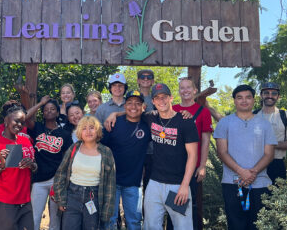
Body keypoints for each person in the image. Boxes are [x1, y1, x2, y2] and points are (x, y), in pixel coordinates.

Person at [105, 83, 199, 230]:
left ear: (171, 98)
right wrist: (115, 114)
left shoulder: (185, 122)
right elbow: (133, 111)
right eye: (157, 98)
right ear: (153, 102)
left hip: (177, 185)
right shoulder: (150, 118)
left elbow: (193, 155)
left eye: (164, 97)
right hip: (154, 184)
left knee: (183, 226)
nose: (161, 101)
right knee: (151, 225)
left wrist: (185, 186)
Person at [214, 85, 276, 230]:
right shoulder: (224, 123)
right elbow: (222, 152)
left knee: (258, 225)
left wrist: (253, 172)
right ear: (234, 101)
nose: (244, 101)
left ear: (254, 100)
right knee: (236, 225)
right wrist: (241, 171)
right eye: (239, 97)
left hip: (260, 183)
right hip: (232, 183)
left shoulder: (265, 124)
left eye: (248, 97)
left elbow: (269, 154)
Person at [53, 116, 116, 230]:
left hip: (94, 197)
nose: (88, 131)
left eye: (91, 128)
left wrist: (107, 209)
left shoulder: (106, 152)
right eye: (84, 128)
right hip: (72, 195)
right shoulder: (74, 148)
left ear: (97, 131)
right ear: (79, 132)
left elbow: (110, 184)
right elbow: (61, 173)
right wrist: (61, 198)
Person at [102, 90, 151, 230]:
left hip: (133, 183)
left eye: (137, 103)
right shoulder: (113, 123)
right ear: (124, 106)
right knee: (110, 221)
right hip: (111, 182)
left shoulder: (147, 125)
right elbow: (100, 149)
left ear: (143, 106)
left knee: (134, 222)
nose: (133, 106)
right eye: (129, 103)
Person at [0, 104, 36, 230]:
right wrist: (1, 165)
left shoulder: (25, 141)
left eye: (22, 122)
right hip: (4, 202)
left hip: (25, 201)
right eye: (16, 121)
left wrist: (32, 165)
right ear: (6, 121)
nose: (19, 125)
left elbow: (35, 167)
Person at [26, 96, 73, 230]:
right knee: (35, 216)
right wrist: (41, 103)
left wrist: (63, 180)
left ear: (58, 112)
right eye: (46, 110)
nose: (49, 111)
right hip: (39, 180)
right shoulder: (37, 127)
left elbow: (68, 158)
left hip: (55, 181)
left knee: (55, 219)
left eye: (52, 109)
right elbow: (24, 117)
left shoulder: (64, 134)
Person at [172, 77, 212, 230]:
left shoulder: (203, 112)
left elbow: (206, 140)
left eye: (189, 87)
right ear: (179, 91)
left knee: (191, 206)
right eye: (182, 88)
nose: (185, 90)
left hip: (193, 167)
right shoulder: (172, 109)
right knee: (172, 206)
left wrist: (202, 165)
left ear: (195, 90)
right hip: (173, 168)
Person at [254, 82, 287, 183]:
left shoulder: (284, 115)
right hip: (255, 164)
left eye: (273, 93)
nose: (270, 96)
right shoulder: (252, 115)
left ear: (278, 96)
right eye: (266, 93)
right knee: (256, 198)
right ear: (261, 95)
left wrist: (267, 143)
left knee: (276, 198)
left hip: (277, 163)